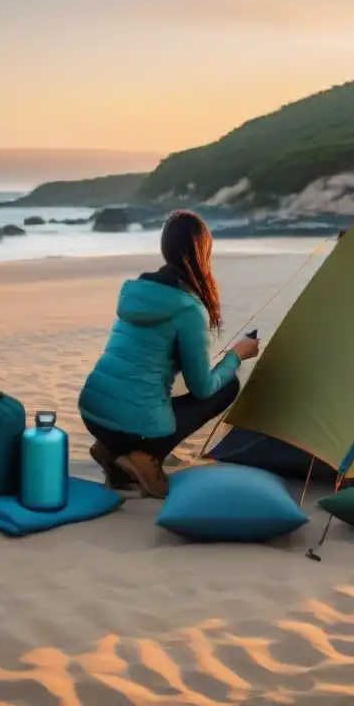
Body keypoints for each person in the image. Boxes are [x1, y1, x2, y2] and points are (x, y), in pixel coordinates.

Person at [77, 210, 260, 498]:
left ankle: (110, 449)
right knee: (227, 387)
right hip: (130, 421)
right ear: (203, 252)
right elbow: (202, 389)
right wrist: (237, 354)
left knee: (149, 388)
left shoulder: (136, 292)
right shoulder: (188, 308)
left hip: (92, 411)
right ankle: (146, 458)